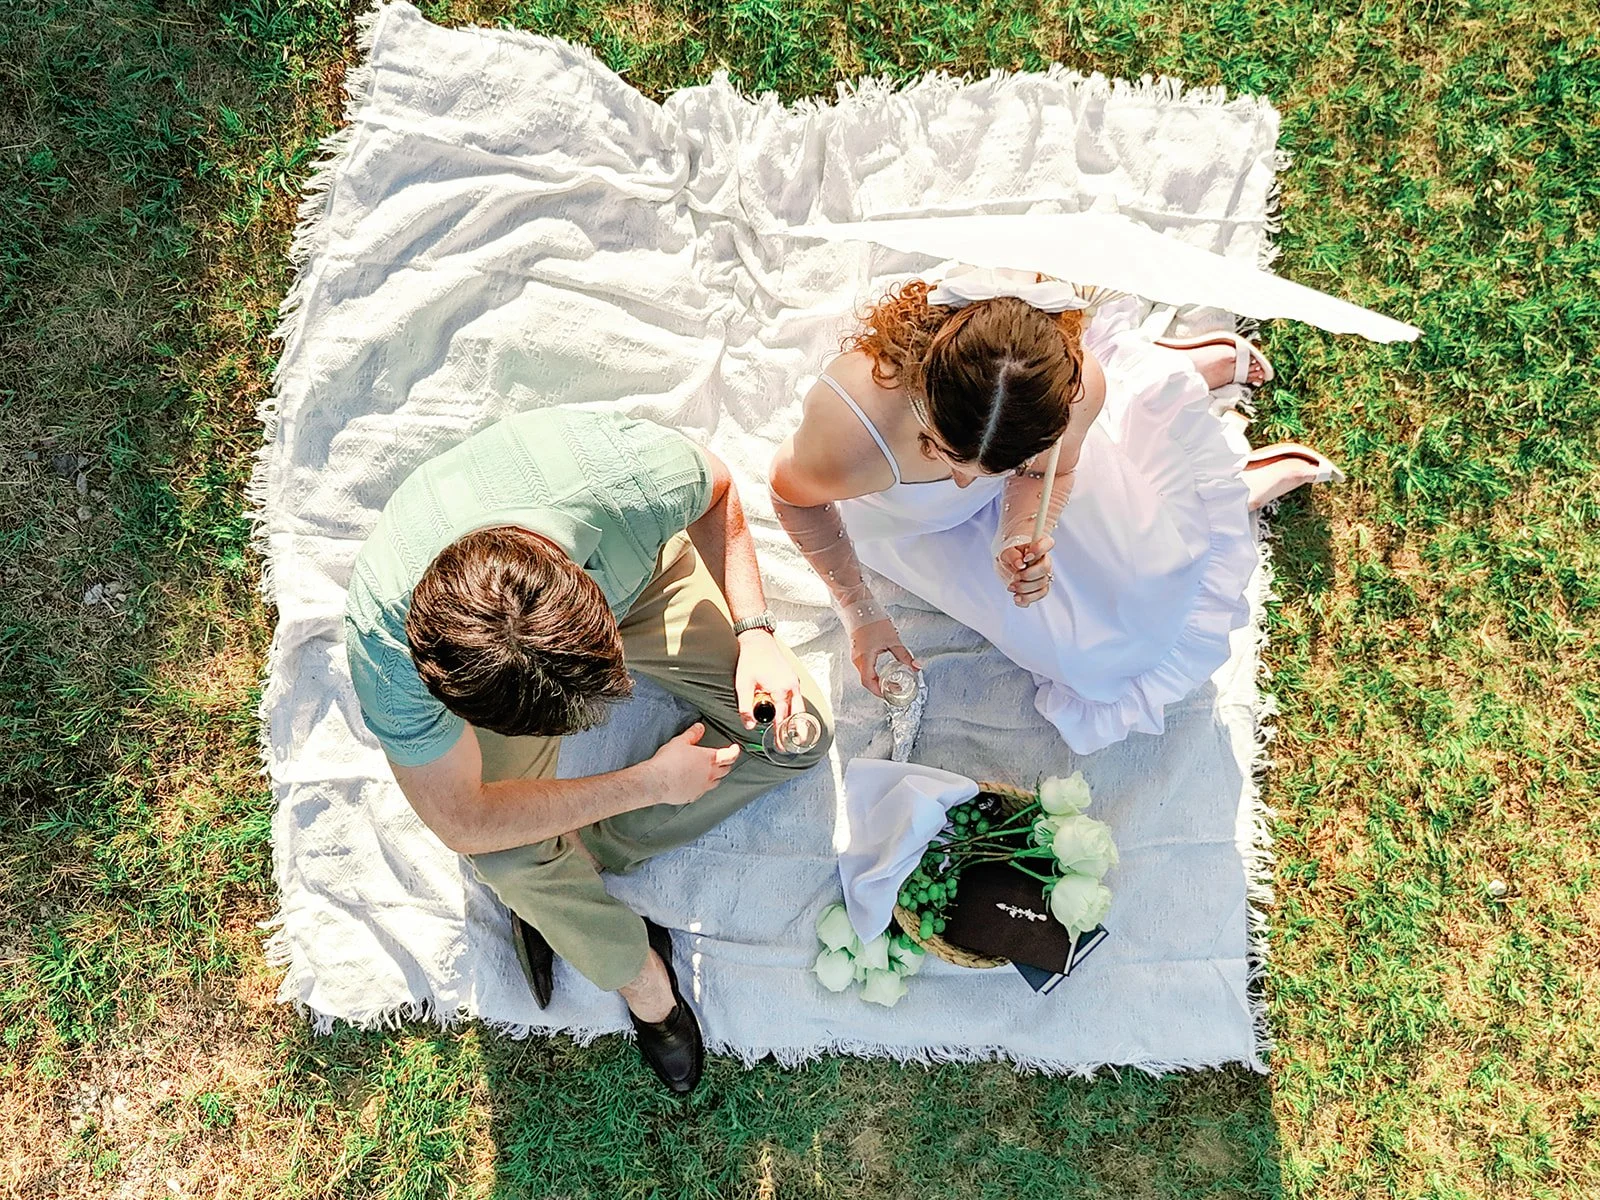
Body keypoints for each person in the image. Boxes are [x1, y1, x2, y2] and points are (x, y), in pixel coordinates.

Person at [345, 407, 833, 1095]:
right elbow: (461, 819)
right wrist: (647, 783)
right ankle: (643, 978)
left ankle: (578, 860)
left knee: (795, 728)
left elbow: (719, 490)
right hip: (502, 662)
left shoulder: (621, 481)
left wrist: (755, 632)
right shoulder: (388, 662)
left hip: (632, 594)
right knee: (502, 851)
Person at [769, 268, 1342, 754]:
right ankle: (1185, 412)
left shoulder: (1075, 391)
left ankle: (1211, 474)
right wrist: (860, 610)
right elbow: (791, 497)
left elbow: (1049, 471)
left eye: (1000, 465)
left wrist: (1018, 530)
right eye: (943, 453)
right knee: (1088, 658)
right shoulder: (848, 434)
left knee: (1159, 576)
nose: (968, 481)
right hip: (914, 528)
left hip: (1033, 467)